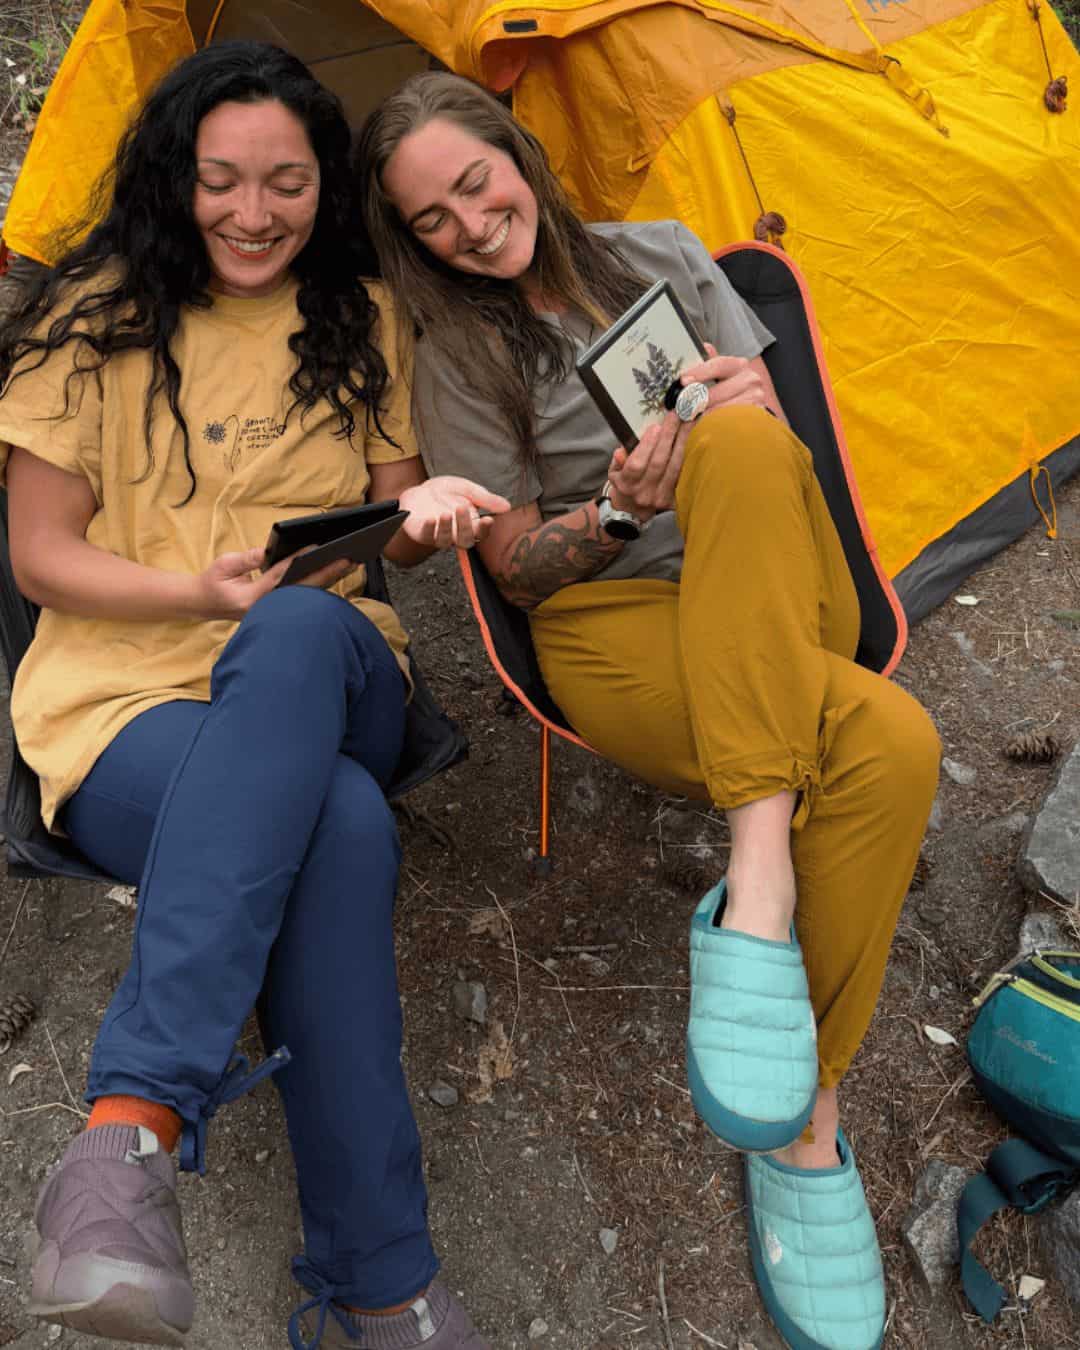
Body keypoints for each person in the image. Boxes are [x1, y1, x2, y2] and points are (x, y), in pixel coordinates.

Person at [355, 71, 941, 1350]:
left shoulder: (663, 256)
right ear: (411, 244)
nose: (466, 223)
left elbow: (784, 447)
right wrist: (617, 509)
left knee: (732, 442)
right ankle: (806, 1125)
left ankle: (756, 874)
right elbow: (510, 566)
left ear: (518, 156)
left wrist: (737, 410)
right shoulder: (455, 350)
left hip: (781, 590)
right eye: (430, 221)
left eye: (474, 183)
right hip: (616, 623)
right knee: (894, 745)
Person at [0, 43, 508, 1350]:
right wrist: (197, 597)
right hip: (121, 710)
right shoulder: (87, 321)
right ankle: (381, 1285)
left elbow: (390, 523)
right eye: (221, 180)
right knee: (337, 825)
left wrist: (421, 516)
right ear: (174, 177)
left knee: (289, 630)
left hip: (329, 661)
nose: (252, 210)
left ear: (319, 188)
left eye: (285, 181)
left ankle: (126, 1131)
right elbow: (39, 552)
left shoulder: (358, 311)